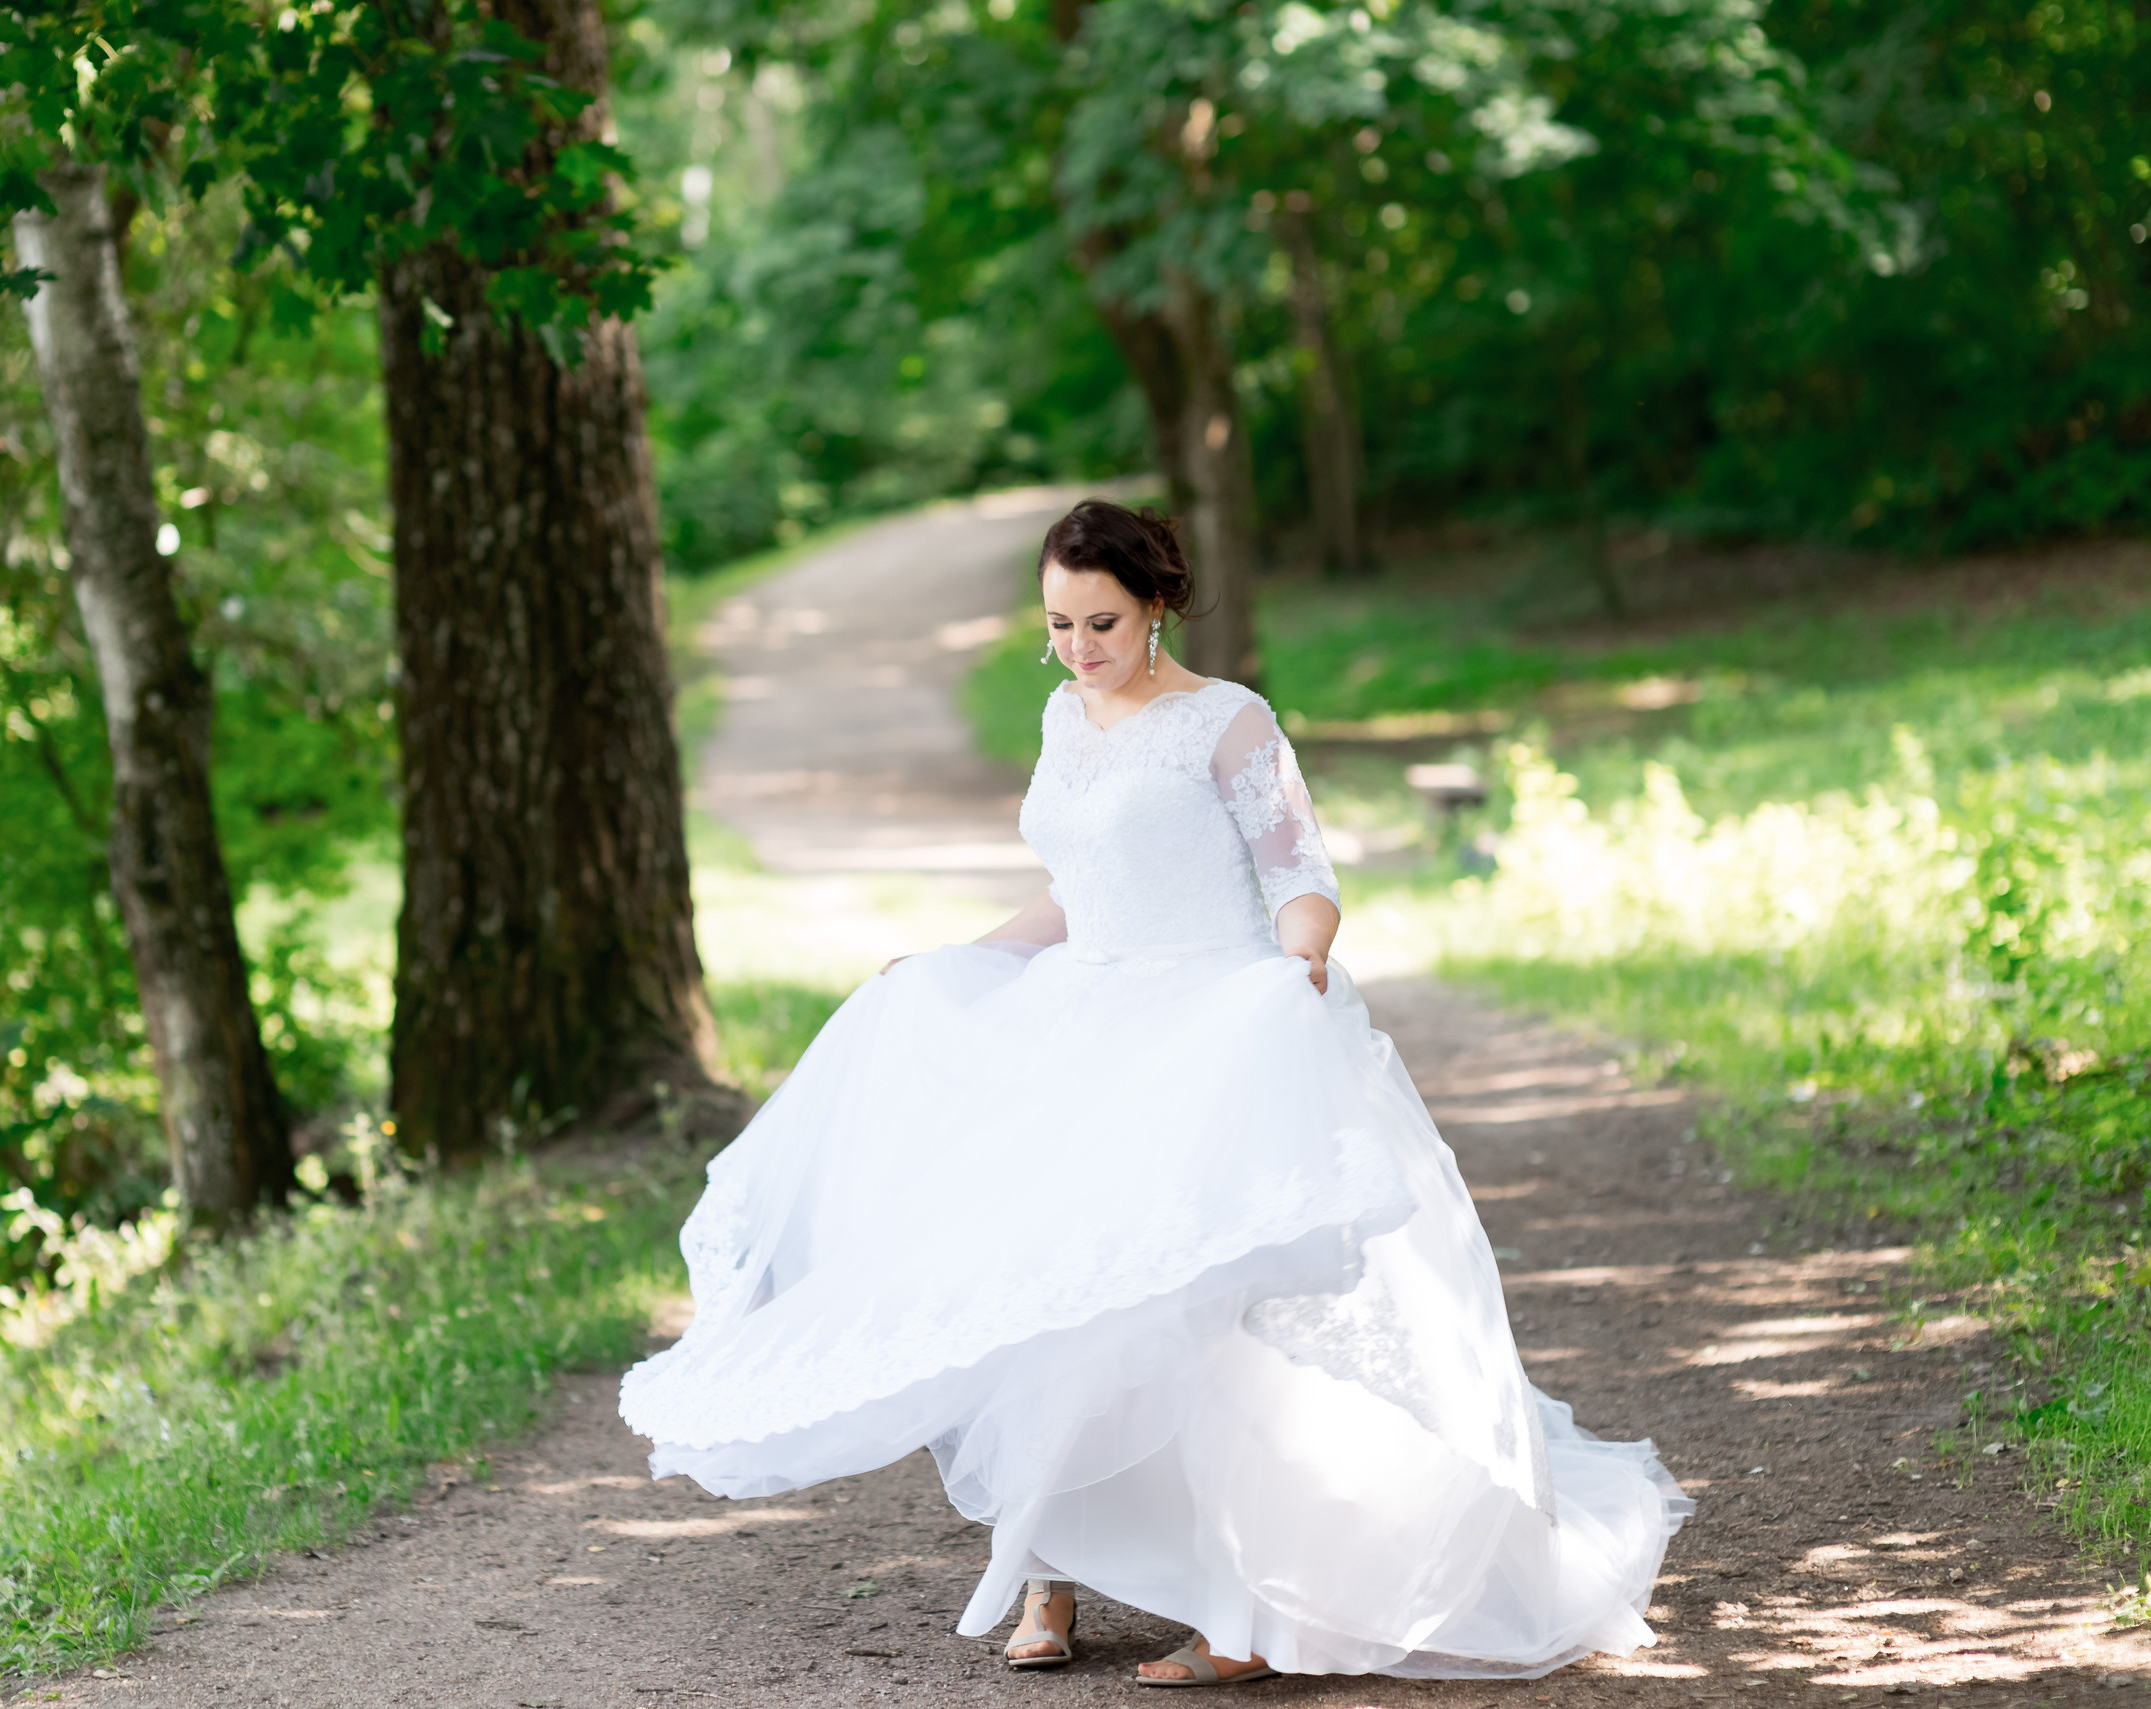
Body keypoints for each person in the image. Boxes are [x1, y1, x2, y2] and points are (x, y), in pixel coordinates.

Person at [620, 499, 1689, 1686]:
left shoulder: (1227, 722)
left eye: (1103, 623)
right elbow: (1074, 892)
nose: (1079, 646)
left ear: (1156, 606)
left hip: (1208, 1029)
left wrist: (1298, 962)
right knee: (1041, 1293)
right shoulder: (1061, 715)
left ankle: (1244, 1608)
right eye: (1059, 624)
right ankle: (1046, 1570)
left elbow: (1301, 875)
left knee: (1204, 1319)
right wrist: (956, 961)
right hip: (1079, 1029)